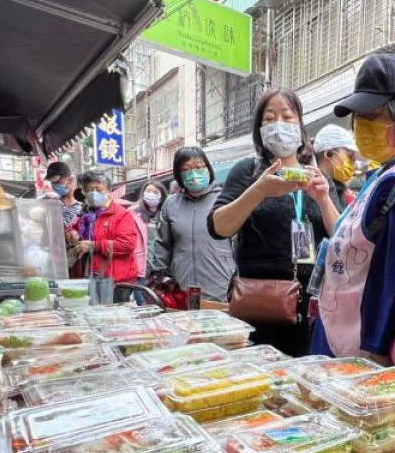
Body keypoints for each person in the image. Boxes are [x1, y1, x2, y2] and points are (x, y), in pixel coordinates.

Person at [311, 55, 395, 361]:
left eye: (371, 116)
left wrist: (378, 360)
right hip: (341, 336)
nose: (361, 127)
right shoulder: (384, 174)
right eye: (358, 118)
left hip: (362, 358)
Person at [208, 88, 338, 355]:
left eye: (287, 117)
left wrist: (324, 199)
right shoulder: (248, 171)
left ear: (300, 125)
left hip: (308, 300)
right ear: (259, 128)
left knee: (303, 377)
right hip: (255, 300)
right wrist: (260, 190)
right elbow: (218, 227)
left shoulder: (316, 175)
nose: (279, 125)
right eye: (269, 119)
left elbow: (342, 236)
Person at [153, 147, 235, 303]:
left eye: (198, 167)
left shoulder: (225, 200)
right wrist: (161, 280)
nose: (194, 174)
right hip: (181, 289)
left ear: (208, 169)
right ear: (179, 174)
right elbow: (162, 247)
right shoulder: (170, 205)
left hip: (221, 287)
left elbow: (239, 243)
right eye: (186, 169)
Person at [69, 170, 142, 292]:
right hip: (89, 278)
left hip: (115, 282)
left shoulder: (121, 215)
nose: (93, 193)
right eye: (89, 190)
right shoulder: (84, 215)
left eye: (99, 189)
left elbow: (127, 244)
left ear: (109, 192)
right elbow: (73, 229)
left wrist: (94, 246)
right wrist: (70, 233)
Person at [127, 179, 166, 285]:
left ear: (161, 196)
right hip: (139, 265)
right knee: (140, 297)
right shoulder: (133, 212)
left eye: (155, 192)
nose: (151, 194)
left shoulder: (166, 213)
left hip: (159, 267)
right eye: (148, 191)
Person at [312, 124, 359, 207]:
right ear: (328, 154)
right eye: (350, 156)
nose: (353, 165)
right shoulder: (314, 191)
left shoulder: (338, 191)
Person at [46, 161, 82, 229]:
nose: (54, 185)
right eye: (52, 182)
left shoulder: (84, 204)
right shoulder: (53, 203)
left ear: (70, 180)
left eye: (57, 181)